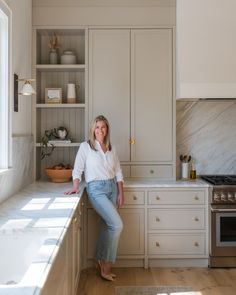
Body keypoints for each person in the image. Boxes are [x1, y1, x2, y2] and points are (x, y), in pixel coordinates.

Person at [65, 115, 124, 281]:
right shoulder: (86, 147)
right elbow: (78, 169)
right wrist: (75, 186)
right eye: (97, 127)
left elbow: (118, 171)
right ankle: (106, 264)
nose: (100, 130)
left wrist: (121, 192)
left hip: (112, 188)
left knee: (108, 226)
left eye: (103, 127)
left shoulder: (111, 147)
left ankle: (100, 260)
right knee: (117, 225)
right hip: (96, 189)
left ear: (107, 130)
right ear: (93, 129)